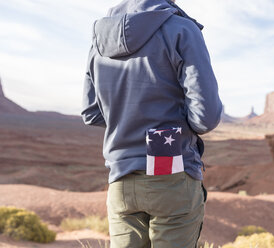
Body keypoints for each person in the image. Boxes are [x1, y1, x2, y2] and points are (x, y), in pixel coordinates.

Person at [81, 0, 222, 247]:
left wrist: (127, 122)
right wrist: (162, 130)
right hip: (171, 170)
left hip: (121, 174)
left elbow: (91, 112)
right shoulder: (181, 29)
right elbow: (205, 117)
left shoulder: (101, 37)